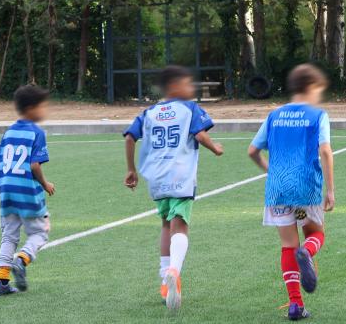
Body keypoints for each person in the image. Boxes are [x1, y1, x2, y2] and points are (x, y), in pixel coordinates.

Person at [123, 65, 224, 311]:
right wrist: (215, 147)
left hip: (156, 177)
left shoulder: (149, 112)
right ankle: (173, 271)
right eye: (188, 83)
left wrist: (131, 170)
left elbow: (129, 137)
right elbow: (200, 135)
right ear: (174, 86)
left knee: (166, 224)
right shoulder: (189, 108)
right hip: (181, 173)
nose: (191, 88)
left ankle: (164, 280)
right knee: (181, 223)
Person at [247, 64, 335, 321]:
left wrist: (270, 171)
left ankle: (295, 305)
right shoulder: (317, 115)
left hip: (278, 190)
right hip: (304, 188)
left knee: (287, 246)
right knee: (316, 234)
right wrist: (330, 190)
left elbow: (252, 151)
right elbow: (326, 151)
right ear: (311, 87)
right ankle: (307, 252)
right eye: (319, 90)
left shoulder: (274, 115)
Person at [0, 85, 56, 296]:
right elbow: (34, 165)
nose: (44, 111)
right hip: (27, 192)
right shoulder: (37, 132)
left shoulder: (9, 131)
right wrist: (45, 184)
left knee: (9, 235)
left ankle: (1, 281)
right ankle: (22, 259)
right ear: (31, 108)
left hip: (6, 191)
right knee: (40, 232)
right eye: (42, 106)